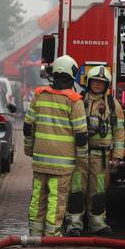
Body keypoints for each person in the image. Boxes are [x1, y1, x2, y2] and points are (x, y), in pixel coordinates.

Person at [24, 55, 88, 237]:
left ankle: (35, 231)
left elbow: (28, 126)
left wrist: (29, 150)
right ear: (71, 74)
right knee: (57, 197)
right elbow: (81, 135)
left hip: (40, 160)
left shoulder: (39, 95)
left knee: (38, 195)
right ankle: (52, 234)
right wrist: (82, 158)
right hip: (63, 164)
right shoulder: (75, 101)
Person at [66, 65, 124, 236]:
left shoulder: (113, 105)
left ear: (106, 85)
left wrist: (118, 156)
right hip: (80, 156)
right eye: (95, 82)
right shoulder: (78, 101)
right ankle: (74, 223)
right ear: (89, 82)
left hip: (102, 156)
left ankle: (97, 223)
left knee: (98, 191)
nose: (97, 85)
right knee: (76, 189)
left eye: (101, 82)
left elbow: (119, 131)